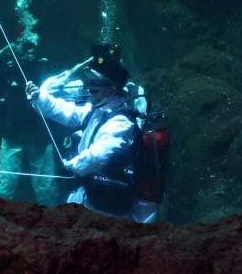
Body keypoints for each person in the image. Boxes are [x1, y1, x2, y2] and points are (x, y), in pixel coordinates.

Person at [25, 45, 158, 223]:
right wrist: (39, 97)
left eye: (94, 88)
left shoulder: (122, 122)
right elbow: (65, 110)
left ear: (110, 91)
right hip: (92, 195)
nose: (88, 90)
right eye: (88, 85)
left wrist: (71, 167)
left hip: (111, 207)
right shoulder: (96, 110)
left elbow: (99, 154)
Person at [0, 45, 61, 206]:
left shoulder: (44, 72)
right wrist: (4, 50)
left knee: (46, 190)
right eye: (25, 49)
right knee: (4, 187)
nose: (29, 53)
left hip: (39, 138)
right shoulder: (8, 73)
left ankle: (52, 224)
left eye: (33, 49)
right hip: (12, 136)